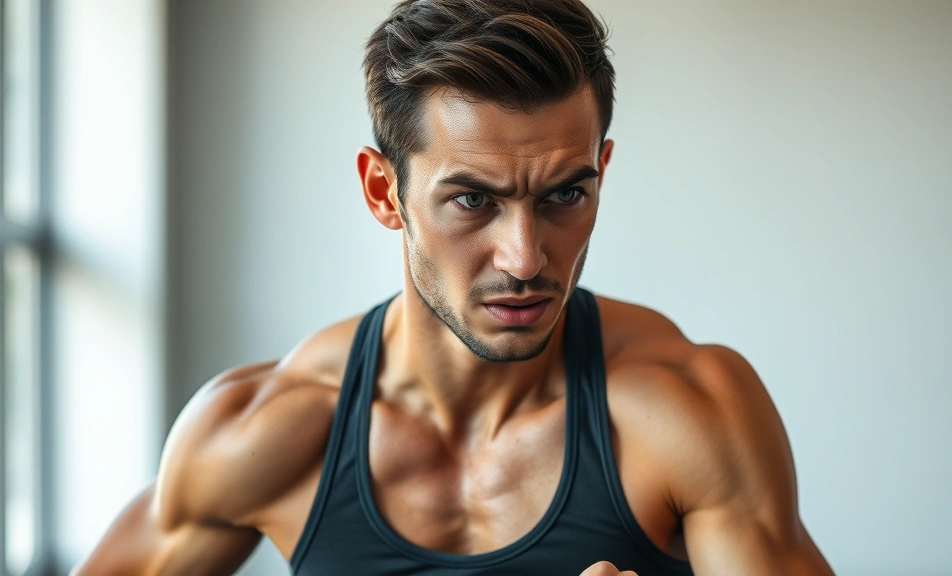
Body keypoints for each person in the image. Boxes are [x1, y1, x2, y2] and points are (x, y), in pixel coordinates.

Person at [73, 0, 835, 574]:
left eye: (566, 195)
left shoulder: (690, 412)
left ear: (601, 170)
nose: (527, 257)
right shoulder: (263, 433)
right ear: (384, 192)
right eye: (473, 200)